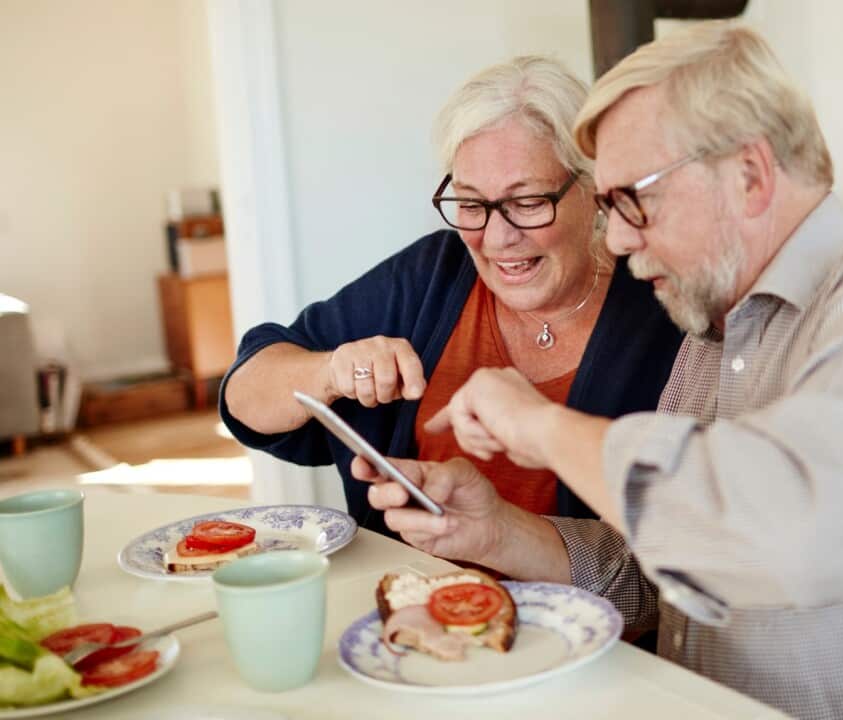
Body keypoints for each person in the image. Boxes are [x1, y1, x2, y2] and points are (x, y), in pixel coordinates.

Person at [360, 21, 843, 720]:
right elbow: (657, 570)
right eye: (608, 206)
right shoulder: (713, 333)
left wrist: (544, 427)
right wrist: (496, 533)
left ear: (750, 175)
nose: (615, 237)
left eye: (631, 200)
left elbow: (792, 533)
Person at [218, 56, 683, 543]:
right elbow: (243, 397)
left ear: (592, 188)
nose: (497, 237)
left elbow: (682, 545)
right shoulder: (435, 273)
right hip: (409, 604)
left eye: (527, 202)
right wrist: (330, 372)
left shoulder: (665, 303)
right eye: (471, 203)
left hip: (589, 617)